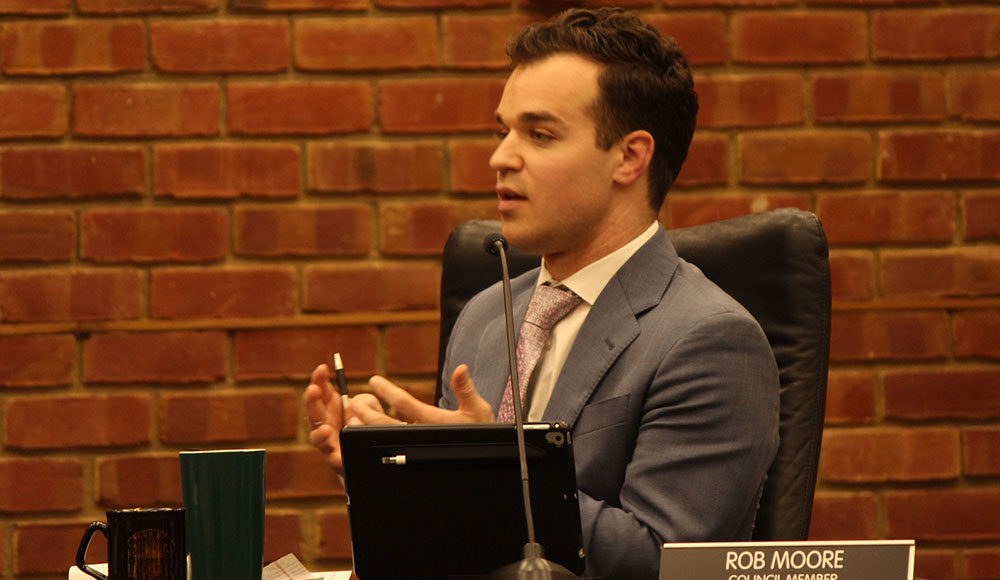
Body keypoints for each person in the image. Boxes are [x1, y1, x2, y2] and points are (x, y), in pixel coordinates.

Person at [304, 7, 779, 579]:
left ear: (630, 157)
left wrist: (479, 474)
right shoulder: (485, 313)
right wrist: (389, 478)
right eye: (502, 130)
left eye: (539, 134)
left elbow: (657, 561)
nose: (501, 156)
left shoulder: (711, 340)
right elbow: (452, 542)